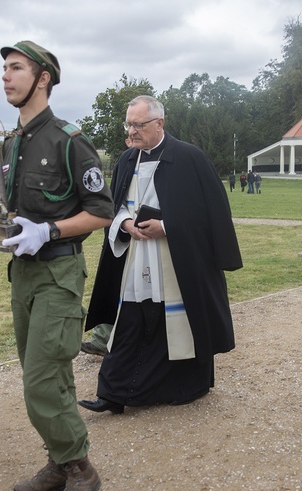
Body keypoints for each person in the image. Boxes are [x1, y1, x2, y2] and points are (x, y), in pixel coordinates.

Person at [0, 40, 114, 491]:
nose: (6, 76)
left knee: (40, 383)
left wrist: (49, 229)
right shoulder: (11, 142)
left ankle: (81, 469)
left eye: (16, 68)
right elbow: (15, 211)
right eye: (3, 68)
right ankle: (59, 462)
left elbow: (102, 212)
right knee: (49, 374)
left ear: (43, 77)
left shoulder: (69, 140)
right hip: (23, 274)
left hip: (59, 271)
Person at [80, 95, 242, 415]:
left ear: (160, 123)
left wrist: (166, 226)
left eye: (139, 124)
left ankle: (187, 387)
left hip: (176, 261)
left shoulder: (190, 158)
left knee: (178, 324)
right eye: (129, 124)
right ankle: (112, 393)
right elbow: (112, 208)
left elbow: (210, 215)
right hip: (137, 257)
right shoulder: (127, 160)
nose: (132, 131)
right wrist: (124, 223)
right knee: (130, 321)